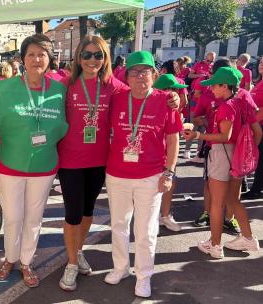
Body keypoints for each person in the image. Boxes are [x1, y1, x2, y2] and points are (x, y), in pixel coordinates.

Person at [0, 34, 68, 288]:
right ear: (22, 59)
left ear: (50, 59)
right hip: (9, 164)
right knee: (13, 217)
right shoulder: (3, 87)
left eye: (42, 54)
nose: (36, 59)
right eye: (31, 54)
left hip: (44, 166)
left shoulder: (59, 90)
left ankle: (26, 261)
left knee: (34, 218)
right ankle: (9, 258)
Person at [104, 51, 181, 298]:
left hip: (150, 176)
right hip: (117, 174)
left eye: (145, 72)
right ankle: (120, 268)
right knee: (118, 224)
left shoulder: (165, 100)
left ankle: (144, 275)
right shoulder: (117, 98)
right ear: (126, 76)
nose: (139, 77)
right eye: (134, 72)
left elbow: (173, 139)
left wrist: (169, 173)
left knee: (146, 230)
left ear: (154, 75)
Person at [56, 35, 126, 291]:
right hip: (70, 160)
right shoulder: (66, 84)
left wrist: (170, 98)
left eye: (98, 55)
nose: (92, 60)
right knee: (72, 214)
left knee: (87, 212)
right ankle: (72, 262)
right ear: (78, 57)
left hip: (99, 160)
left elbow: (141, 96)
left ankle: (78, 250)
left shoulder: (113, 86)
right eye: (86, 55)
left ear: (105, 58)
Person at [183, 67, 261, 259]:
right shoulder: (243, 103)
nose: (212, 89)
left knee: (217, 204)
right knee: (233, 200)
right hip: (237, 156)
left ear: (225, 86)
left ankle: (215, 245)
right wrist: (245, 152)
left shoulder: (226, 106)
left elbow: (224, 136)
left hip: (221, 154)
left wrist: (198, 134)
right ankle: (249, 238)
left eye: (215, 86)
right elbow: (257, 132)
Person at [192, 58, 243, 232]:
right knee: (211, 184)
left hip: (231, 150)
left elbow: (253, 125)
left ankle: (226, 222)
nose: (212, 86)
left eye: (215, 81)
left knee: (230, 189)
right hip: (214, 148)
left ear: (226, 83)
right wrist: (205, 123)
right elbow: (196, 117)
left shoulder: (241, 96)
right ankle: (211, 215)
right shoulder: (208, 95)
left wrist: (247, 150)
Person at [152, 74, 189, 232]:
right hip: (157, 155)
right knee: (158, 187)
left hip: (169, 154)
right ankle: (156, 218)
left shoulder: (173, 106)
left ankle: (164, 215)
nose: (179, 94)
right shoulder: (157, 105)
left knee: (170, 184)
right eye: (174, 90)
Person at [243, 58, 263, 199]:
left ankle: (256, 189)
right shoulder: (259, 82)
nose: (261, 64)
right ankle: (257, 187)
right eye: (261, 62)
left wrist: (251, 123)